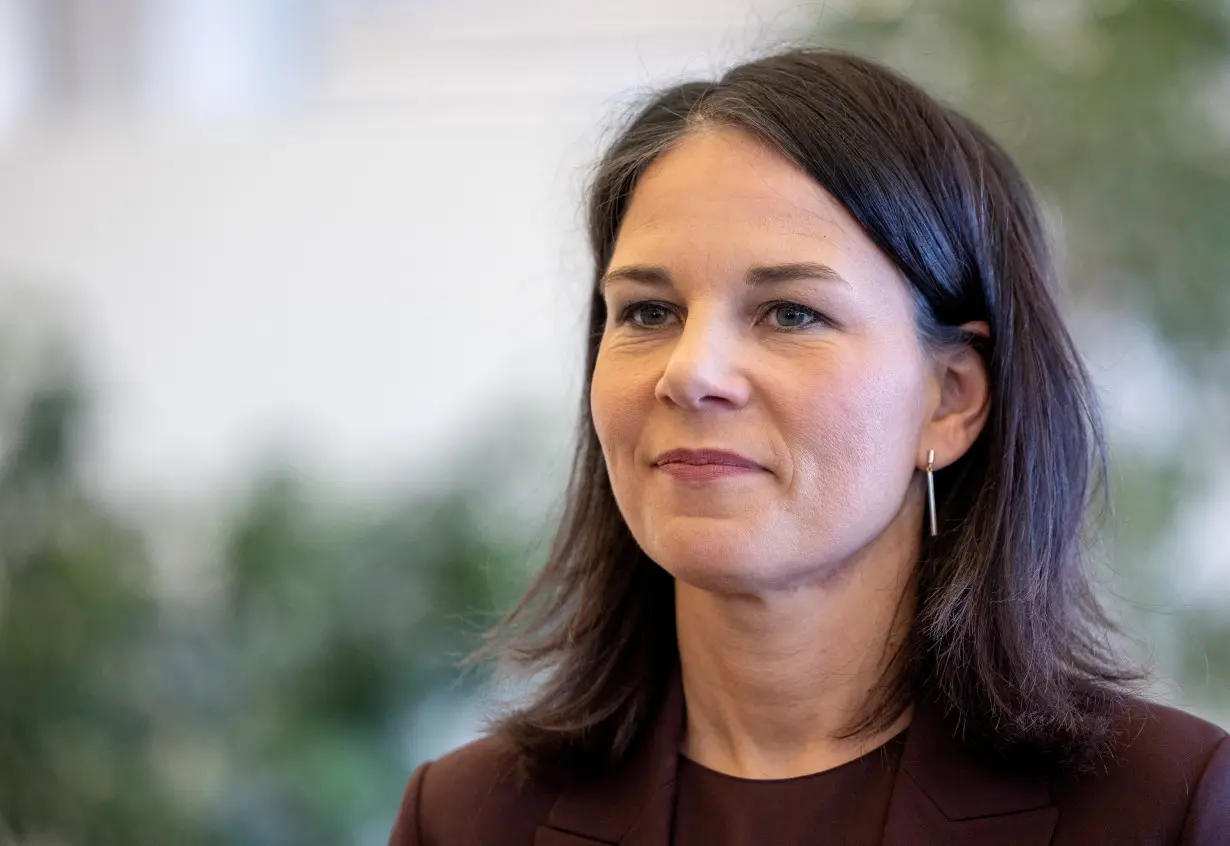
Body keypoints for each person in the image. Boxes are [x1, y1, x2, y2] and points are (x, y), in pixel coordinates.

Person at [387, 48, 1229, 845]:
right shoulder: (465, 819)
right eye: (648, 312)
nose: (691, 374)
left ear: (951, 401)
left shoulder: (1165, 807)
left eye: (790, 312)